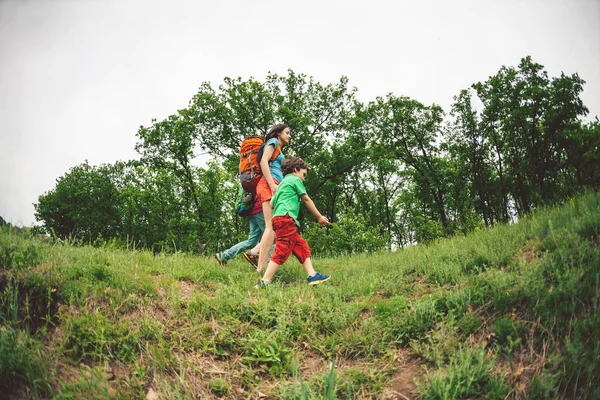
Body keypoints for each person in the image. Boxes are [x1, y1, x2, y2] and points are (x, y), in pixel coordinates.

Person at [256, 156, 331, 288]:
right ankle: (265, 281)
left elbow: (272, 204)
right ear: (296, 170)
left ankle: (312, 275)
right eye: (304, 174)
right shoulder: (295, 180)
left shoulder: (282, 184)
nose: (304, 178)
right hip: (287, 218)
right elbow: (306, 199)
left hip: (278, 219)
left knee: (301, 246)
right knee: (282, 250)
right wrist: (319, 217)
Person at [243, 124, 290, 272]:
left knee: (275, 228)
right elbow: (264, 161)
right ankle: (260, 268)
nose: (289, 136)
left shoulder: (278, 148)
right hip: (268, 185)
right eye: (287, 133)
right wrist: (272, 185)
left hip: (272, 185)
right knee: (271, 227)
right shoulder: (273, 142)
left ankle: (255, 252)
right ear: (278, 133)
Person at [215, 194, 264, 265]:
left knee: (251, 242)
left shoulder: (252, 184)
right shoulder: (264, 182)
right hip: (261, 210)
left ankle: (224, 255)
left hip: (252, 212)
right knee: (272, 237)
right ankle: (266, 264)